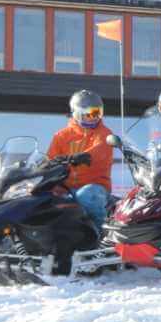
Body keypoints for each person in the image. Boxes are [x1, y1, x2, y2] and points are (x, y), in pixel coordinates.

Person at [48, 89, 117, 231]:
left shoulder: (104, 133)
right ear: (76, 113)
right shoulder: (61, 136)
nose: (94, 118)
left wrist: (83, 156)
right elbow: (51, 160)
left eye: (98, 113)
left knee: (87, 196)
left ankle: (102, 235)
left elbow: (100, 149)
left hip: (96, 186)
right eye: (89, 114)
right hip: (65, 187)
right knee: (41, 200)